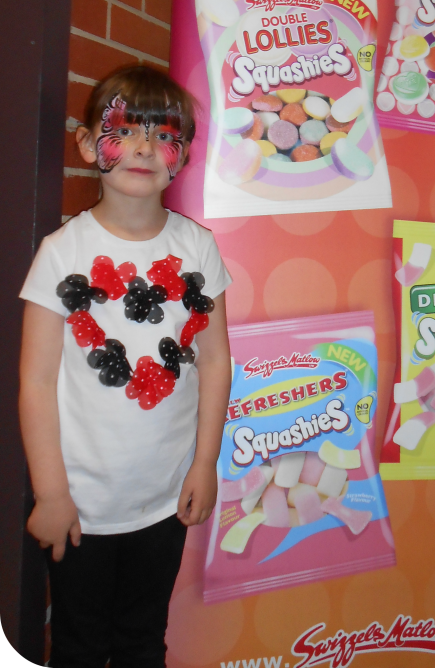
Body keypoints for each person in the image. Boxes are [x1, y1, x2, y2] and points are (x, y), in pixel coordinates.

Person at [19, 65, 232, 668]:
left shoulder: (198, 248)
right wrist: (52, 493)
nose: (143, 147)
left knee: (143, 642)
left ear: (183, 154)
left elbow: (215, 360)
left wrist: (206, 462)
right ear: (89, 145)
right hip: (80, 504)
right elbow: (35, 382)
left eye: (163, 133)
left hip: (166, 498)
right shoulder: (62, 253)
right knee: (81, 648)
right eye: (122, 129)